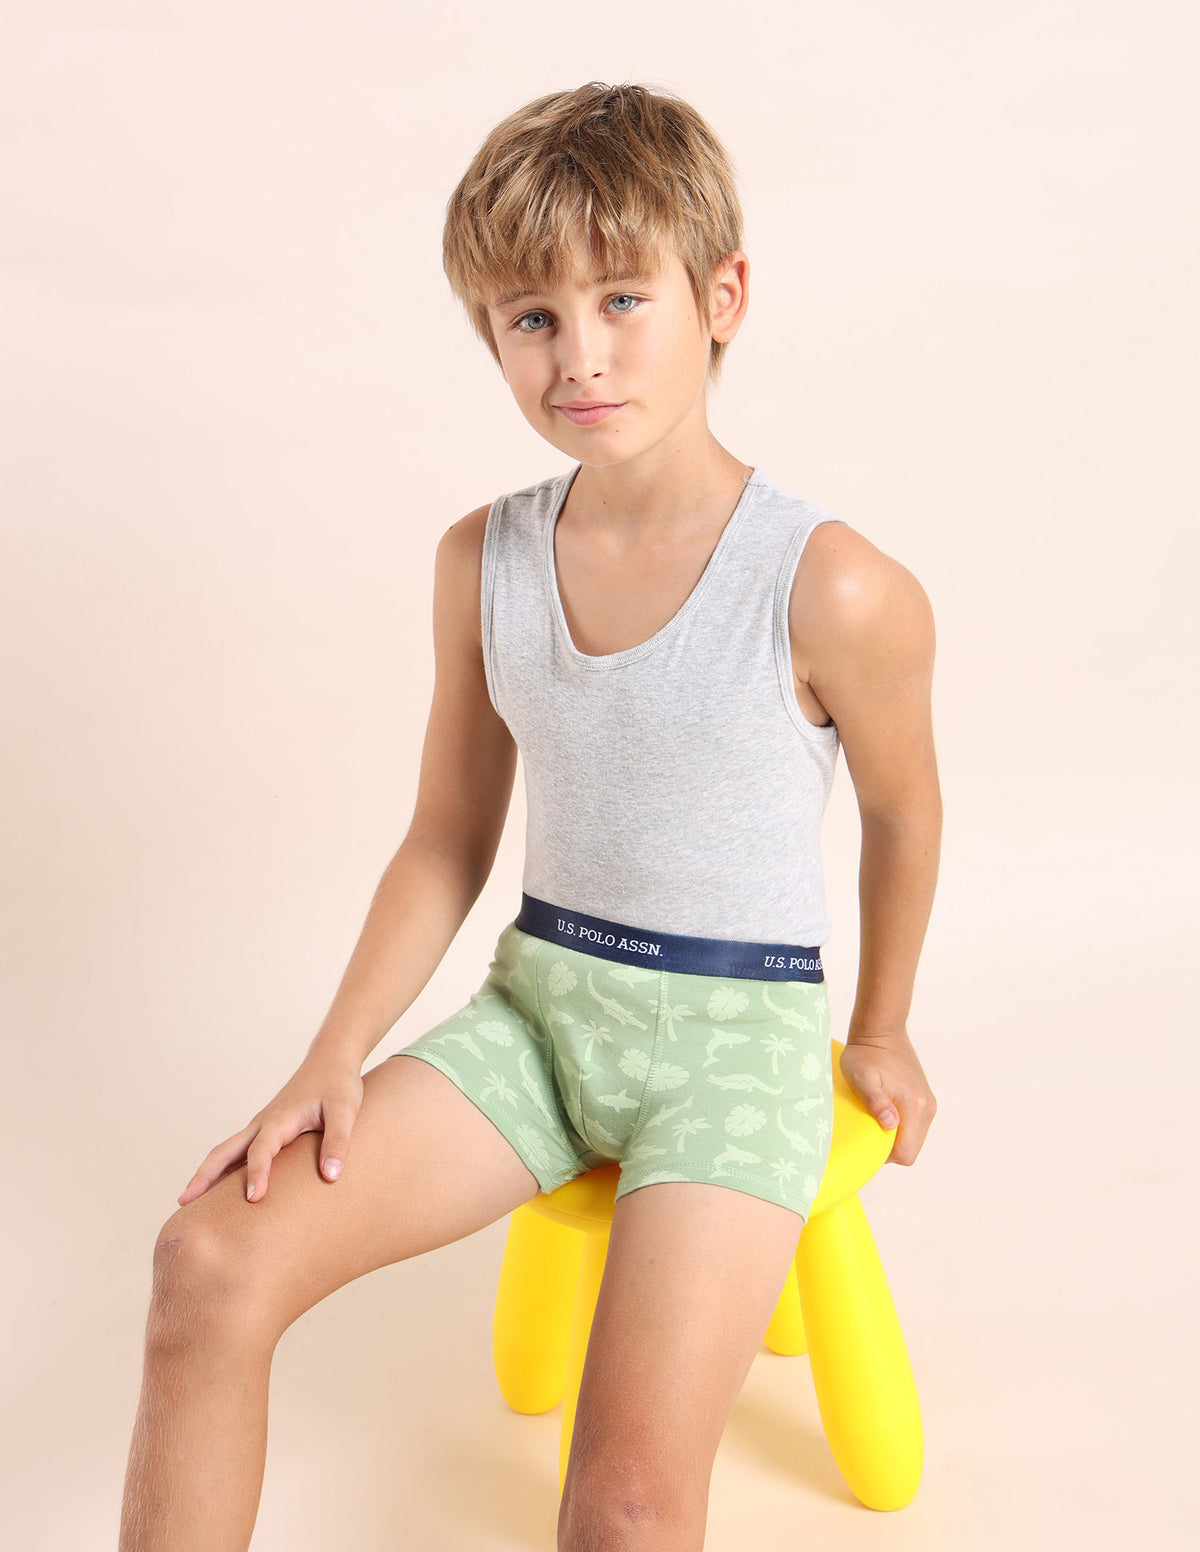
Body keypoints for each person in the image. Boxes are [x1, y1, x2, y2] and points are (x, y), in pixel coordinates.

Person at [119, 80, 940, 1552]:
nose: (581, 356)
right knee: (206, 1261)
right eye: (532, 317)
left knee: (621, 1505)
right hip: (543, 1019)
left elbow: (903, 809)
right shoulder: (481, 561)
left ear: (722, 297)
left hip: (734, 1048)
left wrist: (881, 1026)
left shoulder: (831, 583)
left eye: (623, 299)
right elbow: (446, 840)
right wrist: (333, 1054)